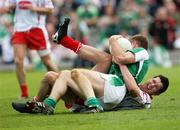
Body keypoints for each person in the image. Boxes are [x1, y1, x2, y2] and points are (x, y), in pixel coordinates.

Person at [12, 18, 156, 114]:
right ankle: (35, 104)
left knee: (74, 72)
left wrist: (112, 40)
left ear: (135, 44)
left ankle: (57, 103)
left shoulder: (141, 51)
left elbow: (120, 58)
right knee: (50, 76)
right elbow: (118, 59)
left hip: (112, 88)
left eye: (129, 41)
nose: (124, 42)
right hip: (92, 93)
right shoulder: (121, 62)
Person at [1, 0, 58, 99]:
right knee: (18, 61)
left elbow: (50, 9)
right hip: (19, 29)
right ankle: (24, 92)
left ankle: (61, 85)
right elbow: (8, 6)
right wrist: (8, 8)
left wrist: (33, 8)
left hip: (37, 29)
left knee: (47, 62)